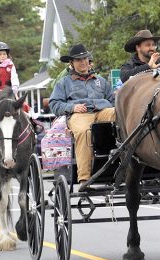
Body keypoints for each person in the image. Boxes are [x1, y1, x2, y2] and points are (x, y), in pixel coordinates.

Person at [49, 44, 115, 190]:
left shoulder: (101, 81)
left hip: (102, 111)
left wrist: (111, 107)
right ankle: (84, 179)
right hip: (79, 114)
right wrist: (72, 107)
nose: (83, 62)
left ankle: (127, 167)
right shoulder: (64, 82)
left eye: (85, 58)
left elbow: (113, 100)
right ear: (72, 63)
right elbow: (54, 104)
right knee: (85, 131)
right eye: (79, 60)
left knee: (121, 116)